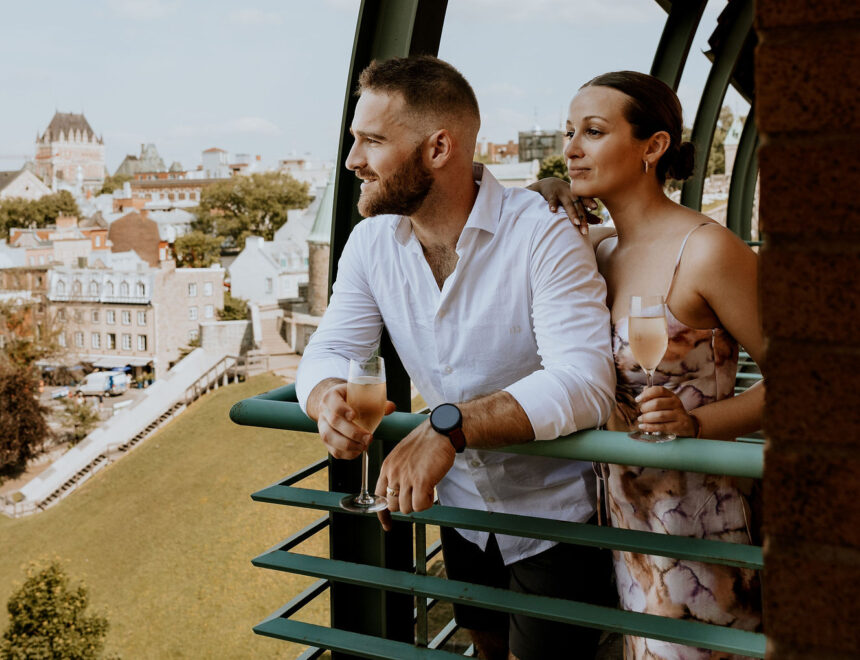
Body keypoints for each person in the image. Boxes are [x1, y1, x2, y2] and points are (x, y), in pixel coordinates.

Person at [296, 55, 617, 660]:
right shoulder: (369, 244)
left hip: (556, 519)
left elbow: (584, 381)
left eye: (372, 141)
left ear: (439, 147)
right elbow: (333, 348)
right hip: (461, 511)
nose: (352, 161)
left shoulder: (542, 232)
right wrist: (323, 399)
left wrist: (449, 427)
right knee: (487, 649)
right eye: (353, 140)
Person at [532, 71, 763, 660]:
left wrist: (695, 426)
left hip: (702, 524)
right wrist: (547, 193)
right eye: (568, 133)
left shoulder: (708, 250)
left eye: (594, 131)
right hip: (625, 523)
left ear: (653, 147)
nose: (572, 147)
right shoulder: (596, 250)